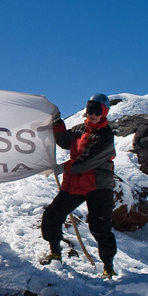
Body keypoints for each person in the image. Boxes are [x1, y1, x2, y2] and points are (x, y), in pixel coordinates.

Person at [40, 93, 118, 278]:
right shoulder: (80, 130)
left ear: (104, 112)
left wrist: (62, 168)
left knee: (100, 228)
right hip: (75, 184)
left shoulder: (105, 136)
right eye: (90, 109)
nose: (92, 114)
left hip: (99, 186)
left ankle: (108, 267)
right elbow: (63, 140)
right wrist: (57, 121)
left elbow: (85, 162)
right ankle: (55, 252)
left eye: (97, 111)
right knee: (52, 216)